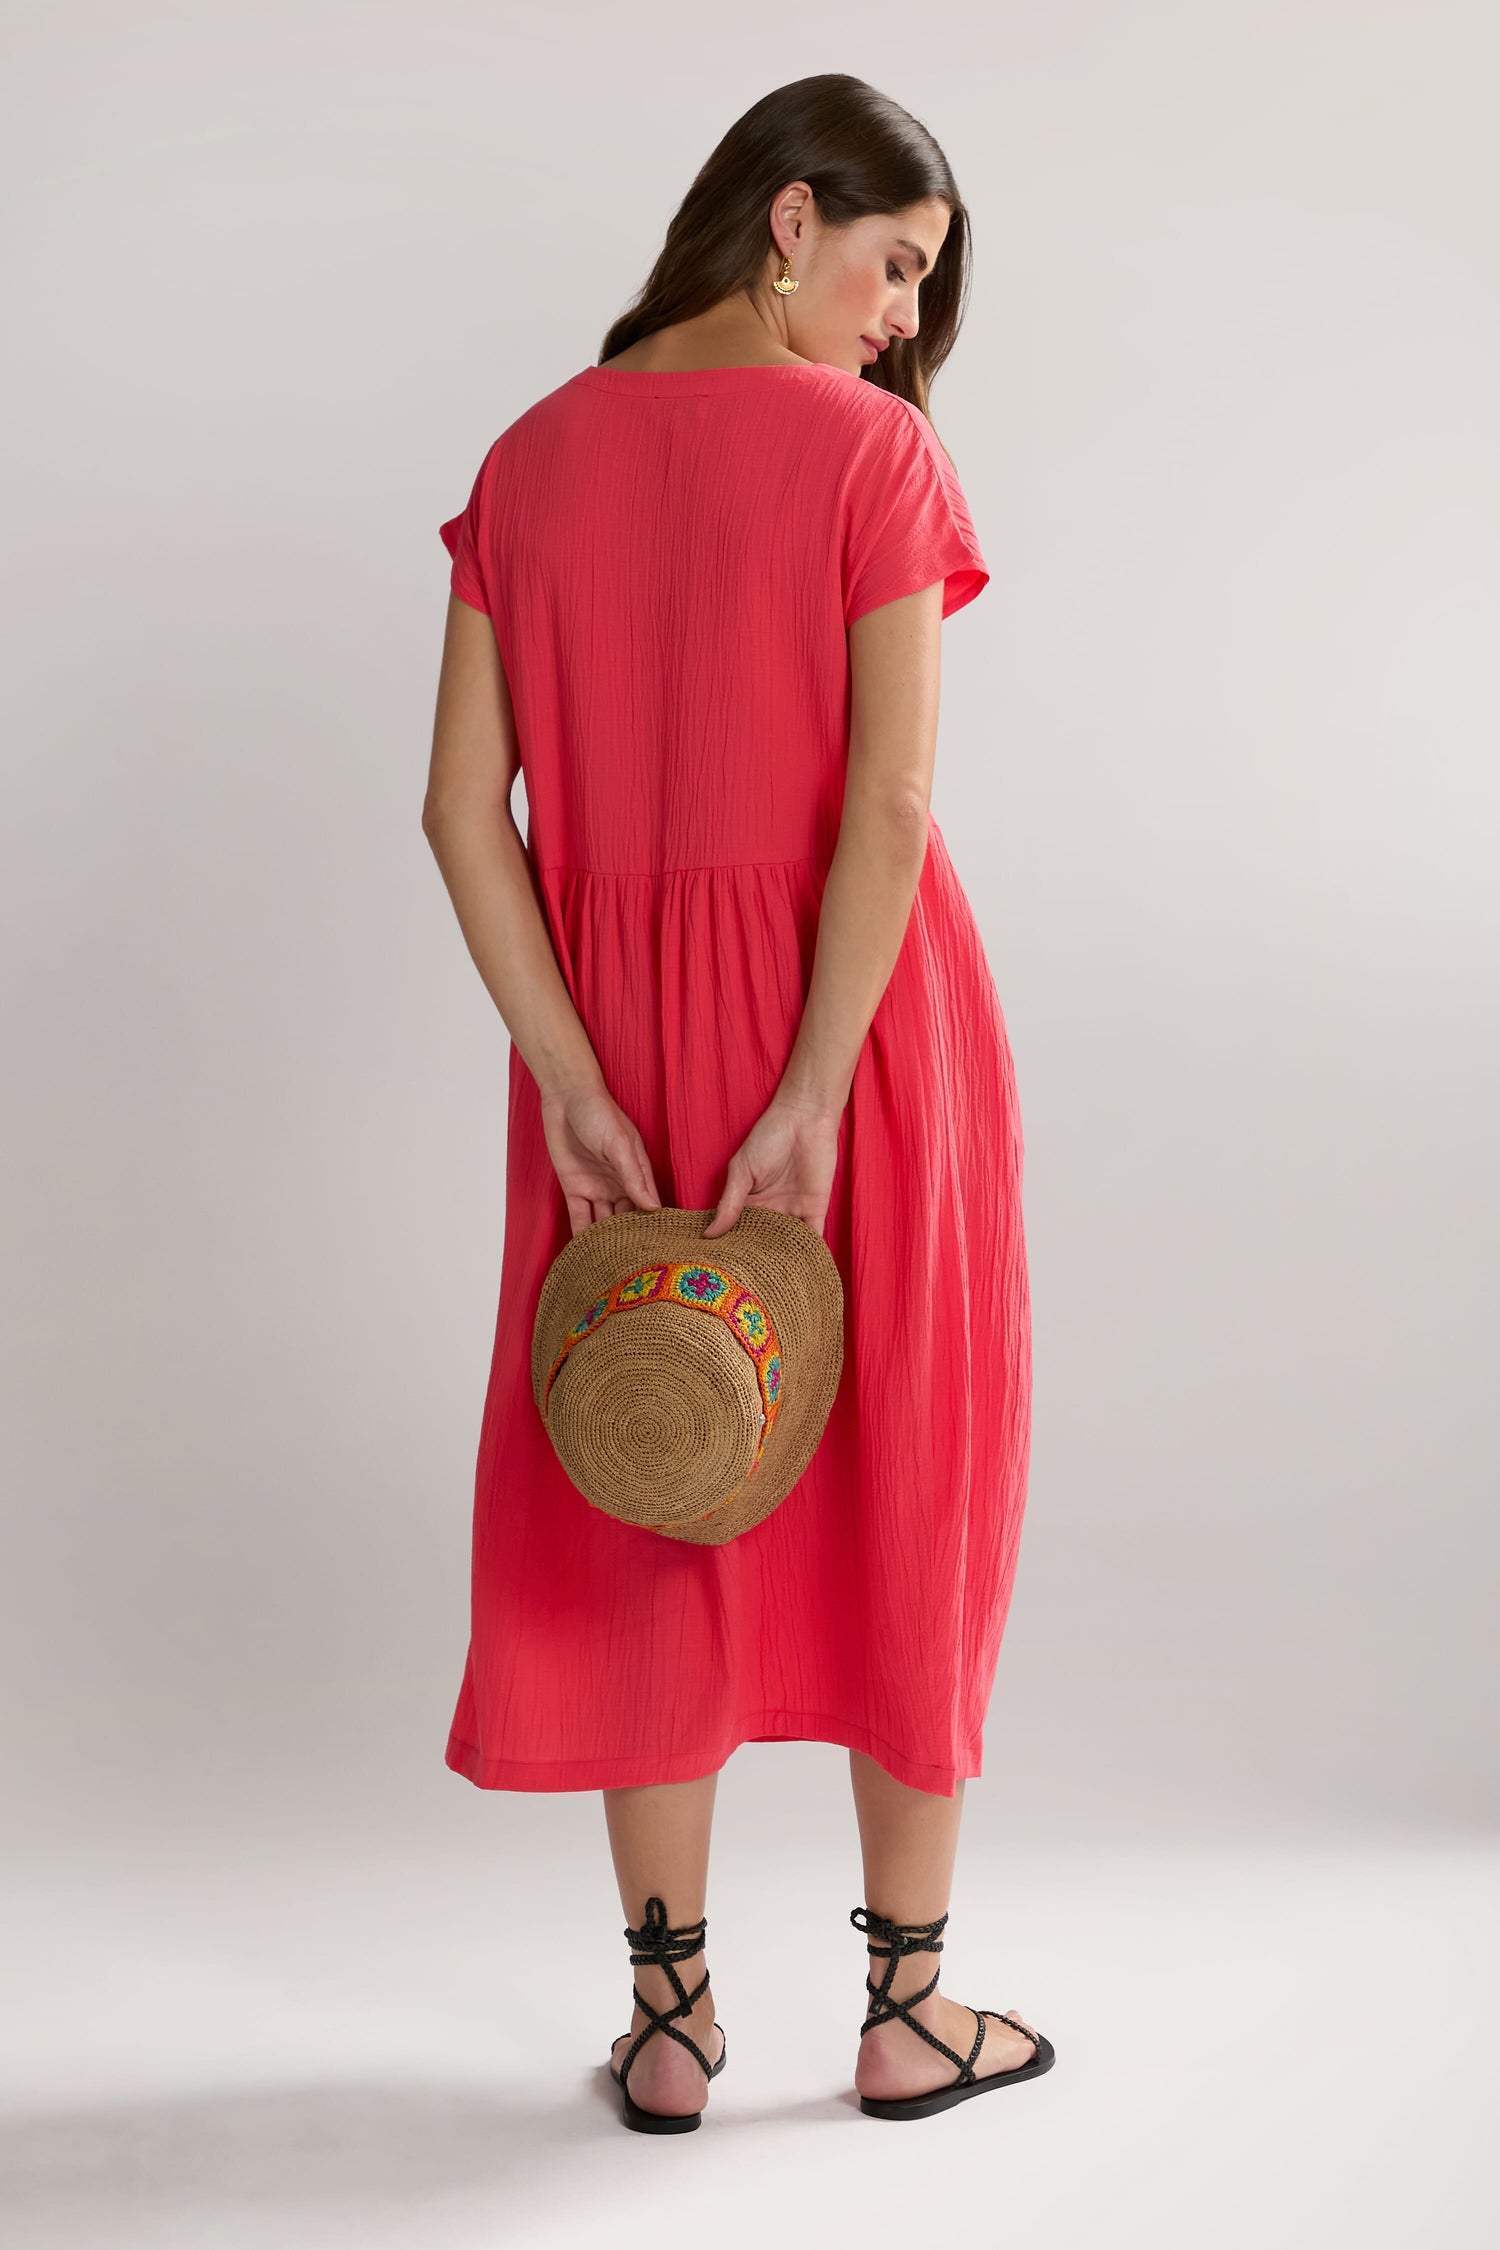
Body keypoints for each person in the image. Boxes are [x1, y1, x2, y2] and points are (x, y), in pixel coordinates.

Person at [423, 72, 1048, 2128]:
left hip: (617, 1042)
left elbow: (457, 815)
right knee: (913, 1450)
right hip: (856, 1033)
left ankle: (674, 2024)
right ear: (787, 221)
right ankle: (909, 2007)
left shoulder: (527, 462)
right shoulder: (874, 462)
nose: (899, 322)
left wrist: (573, 1077)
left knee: (649, 1453)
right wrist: (814, 1082)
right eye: (893, 267)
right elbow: (885, 801)